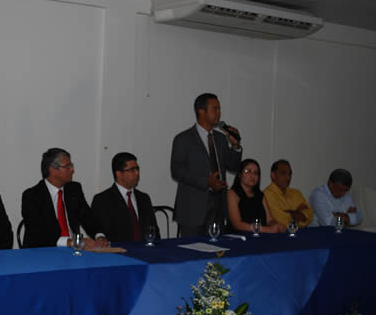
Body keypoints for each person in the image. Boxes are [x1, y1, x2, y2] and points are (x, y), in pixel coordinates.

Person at [171, 93, 242, 236]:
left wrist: (235, 146)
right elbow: (177, 171)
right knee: (192, 248)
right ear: (201, 112)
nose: (219, 113)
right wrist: (206, 181)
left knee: (216, 248)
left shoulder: (221, 139)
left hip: (218, 207)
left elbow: (233, 166)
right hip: (192, 209)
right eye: (215, 109)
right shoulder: (183, 139)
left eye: (219, 109)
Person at [21, 148, 109, 249]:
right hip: (43, 252)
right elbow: (38, 234)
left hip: (74, 250)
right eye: (67, 166)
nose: (72, 170)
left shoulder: (74, 189)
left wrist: (99, 236)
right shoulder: (32, 196)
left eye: (71, 165)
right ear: (53, 170)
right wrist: (71, 242)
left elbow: (88, 217)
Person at [91, 152, 158, 243]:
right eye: (132, 170)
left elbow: (154, 232)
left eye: (137, 169)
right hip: (118, 250)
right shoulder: (102, 200)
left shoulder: (144, 198)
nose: (137, 173)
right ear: (119, 174)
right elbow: (104, 234)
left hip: (146, 249)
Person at [227, 159, 286, 233]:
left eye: (256, 173)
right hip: (238, 236)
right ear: (239, 175)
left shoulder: (260, 195)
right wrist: (267, 229)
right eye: (248, 171)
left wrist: (276, 225)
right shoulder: (232, 193)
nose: (252, 175)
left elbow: (270, 220)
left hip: (259, 235)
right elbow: (237, 224)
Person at [263, 160, 313, 228]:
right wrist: (299, 213)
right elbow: (283, 222)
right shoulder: (267, 195)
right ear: (273, 175)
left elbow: (310, 214)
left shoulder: (296, 193)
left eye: (290, 174)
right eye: (283, 173)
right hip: (282, 234)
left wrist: (291, 213)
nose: (288, 177)